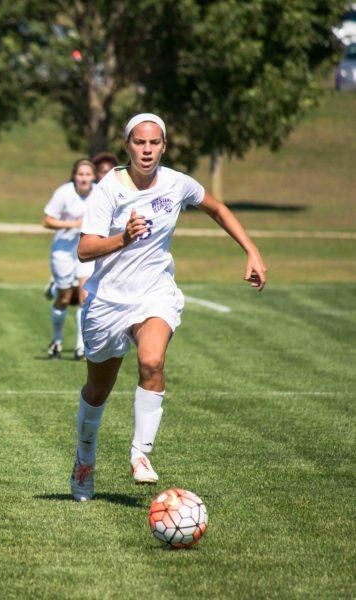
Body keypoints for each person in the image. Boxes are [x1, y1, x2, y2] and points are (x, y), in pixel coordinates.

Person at [69, 113, 267, 501]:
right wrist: (123, 238)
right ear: (128, 146)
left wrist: (252, 250)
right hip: (108, 300)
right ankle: (83, 461)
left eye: (154, 143)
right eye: (139, 143)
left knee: (152, 361)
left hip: (154, 293)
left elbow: (217, 208)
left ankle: (140, 455)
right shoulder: (109, 189)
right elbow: (85, 248)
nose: (147, 150)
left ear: (163, 146)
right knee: (97, 391)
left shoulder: (177, 183)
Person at [43, 158, 96, 360]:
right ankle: (56, 341)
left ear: (93, 176)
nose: (84, 178)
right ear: (74, 176)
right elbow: (47, 220)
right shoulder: (64, 192)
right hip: (63, 251)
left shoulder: (100, 192)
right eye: (80, 174)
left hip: (86, 251)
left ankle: (81, 347)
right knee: (64, 298)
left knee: (86, 297)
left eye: (88, 174)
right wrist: (75, 224)